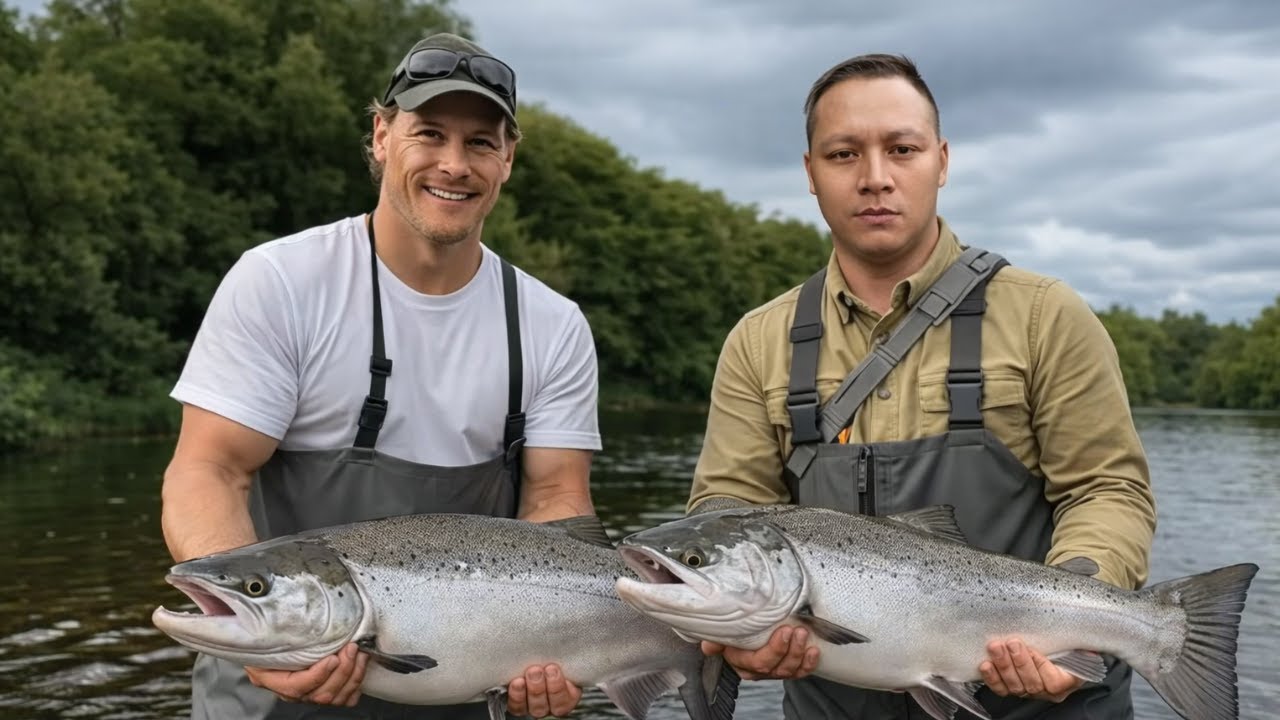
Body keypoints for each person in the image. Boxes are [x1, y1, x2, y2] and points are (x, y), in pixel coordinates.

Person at [687, 53, 1156, 719]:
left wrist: (1070, 621)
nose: (875, 178)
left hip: (1039, 701)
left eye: (901, 149)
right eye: (844, 154)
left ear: (940, 160)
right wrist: (737, 629)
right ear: (810, 174)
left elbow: (1106, 489)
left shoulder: (1047, 314)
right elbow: (725, 512)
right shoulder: (757, 341)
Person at [160, 32, 601, 720]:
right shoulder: (281, 281)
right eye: (430, 133)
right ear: (382, 136)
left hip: (459, 692)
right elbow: (206, 472)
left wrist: (563, 645)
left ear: (508, 159)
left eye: (481, 143)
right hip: (272, 696)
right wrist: (263, 638)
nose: (453, 165)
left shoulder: (552, 325)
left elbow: (556, 504)